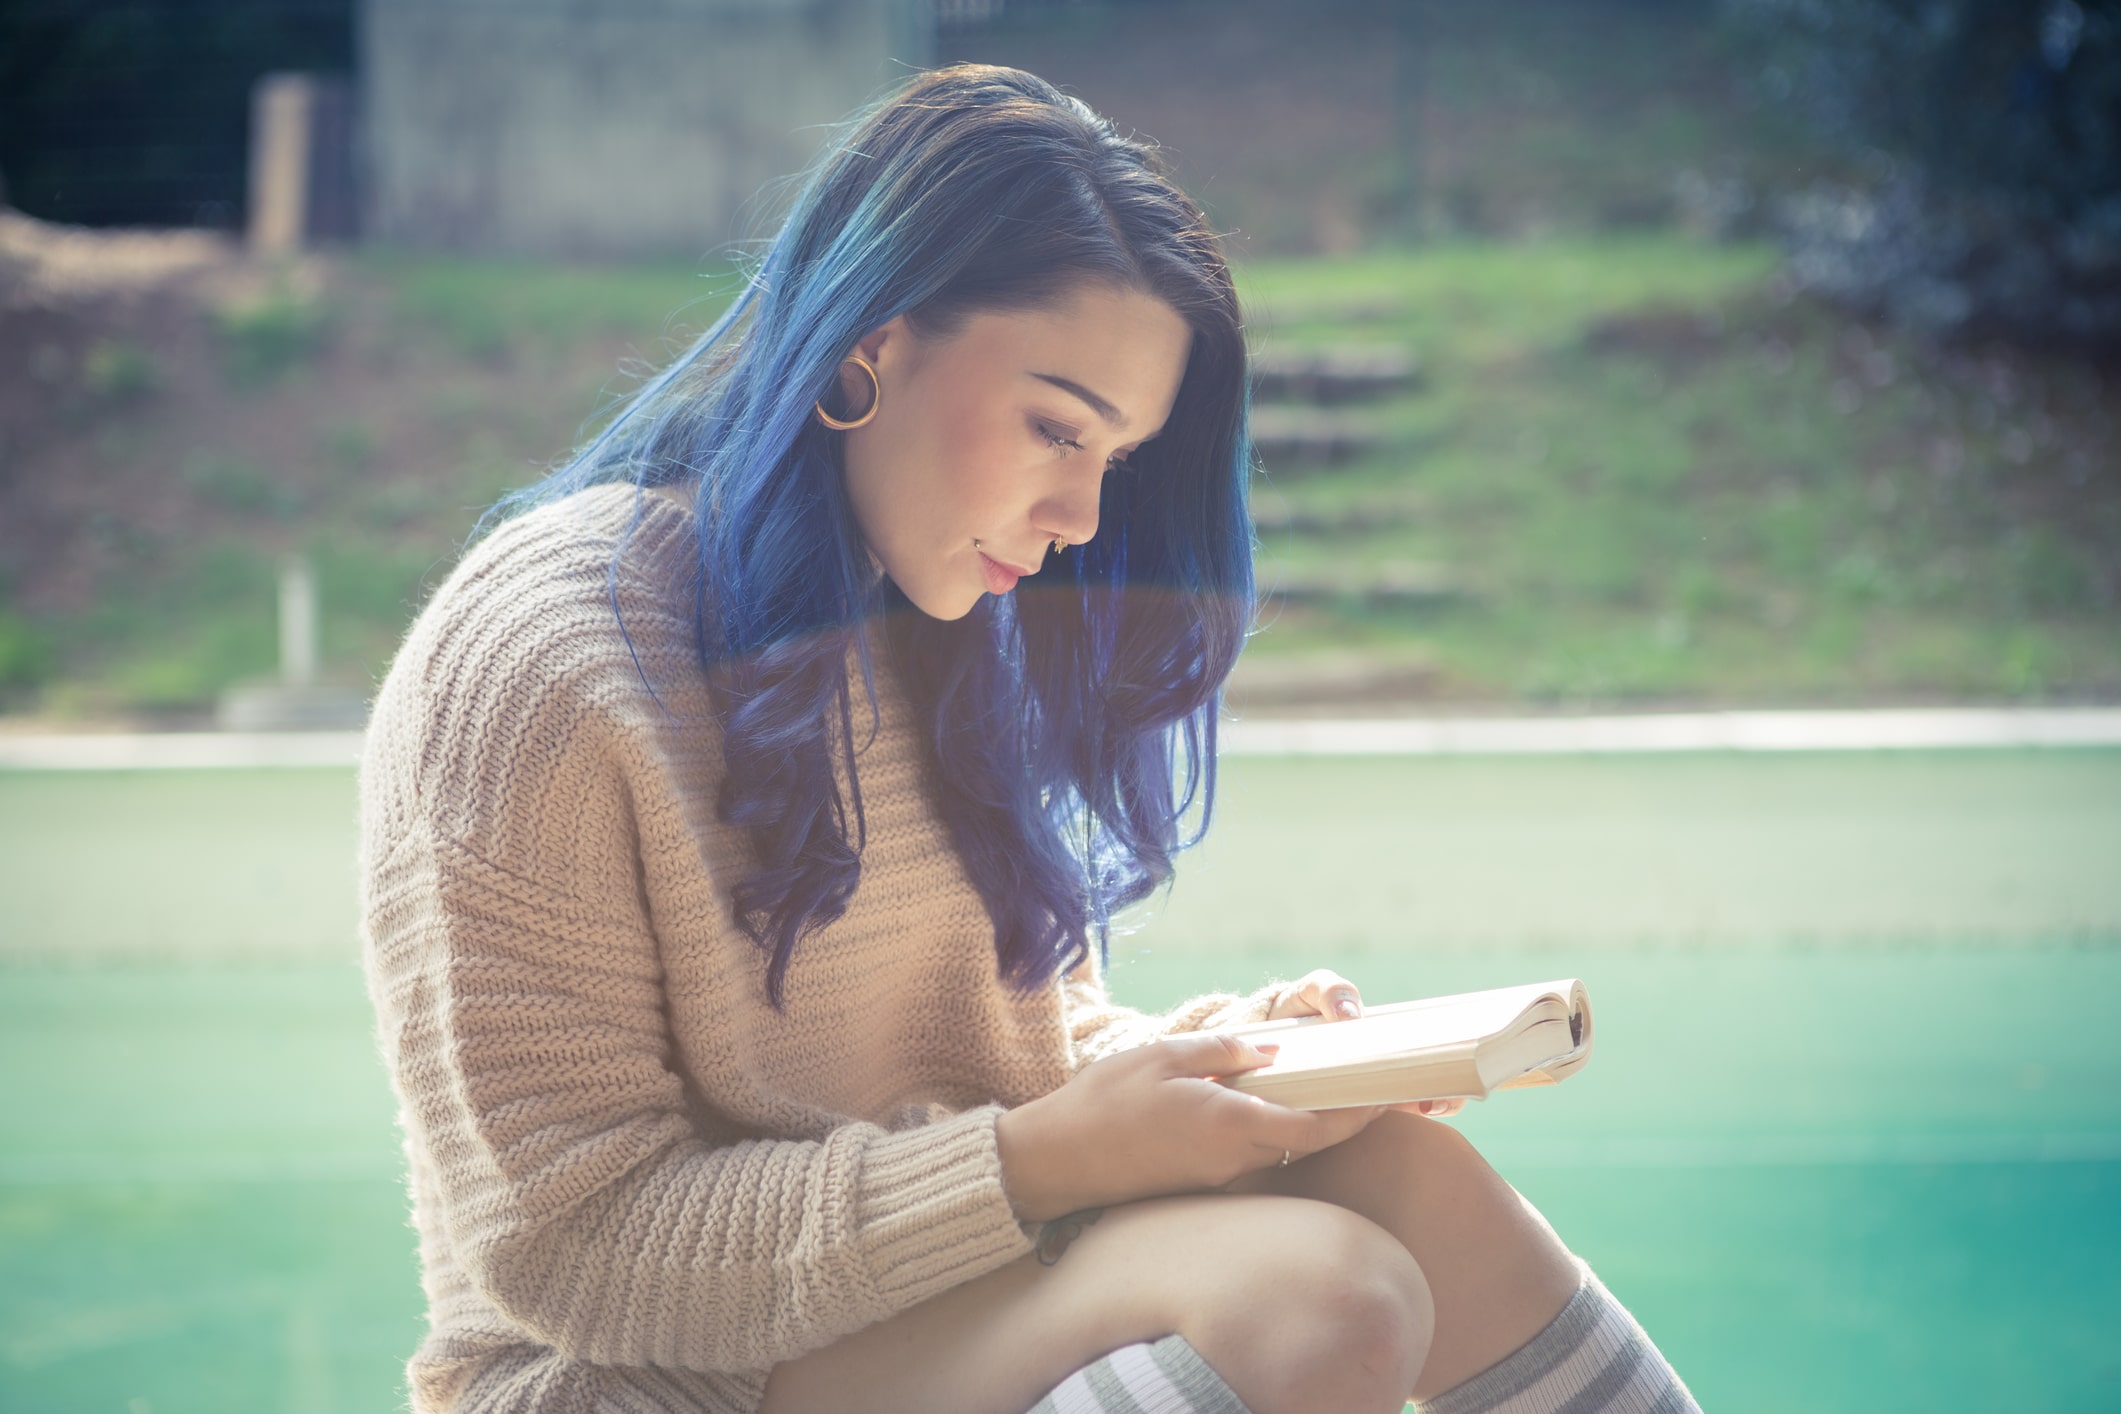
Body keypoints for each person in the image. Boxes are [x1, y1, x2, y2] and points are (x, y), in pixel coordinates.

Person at [357, 63, 1699, 1414]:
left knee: (1403, 1178)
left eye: (1112, 457)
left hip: (904, 1303)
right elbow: (572, 1248)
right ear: (866, 345)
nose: (1080, 517)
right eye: (1055, 426)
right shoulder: (545, 654)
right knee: (1320, 1300)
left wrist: (1228, 1065)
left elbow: (996, 1076)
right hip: (631, 1375)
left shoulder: (933, 622)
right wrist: (1041, 1159)